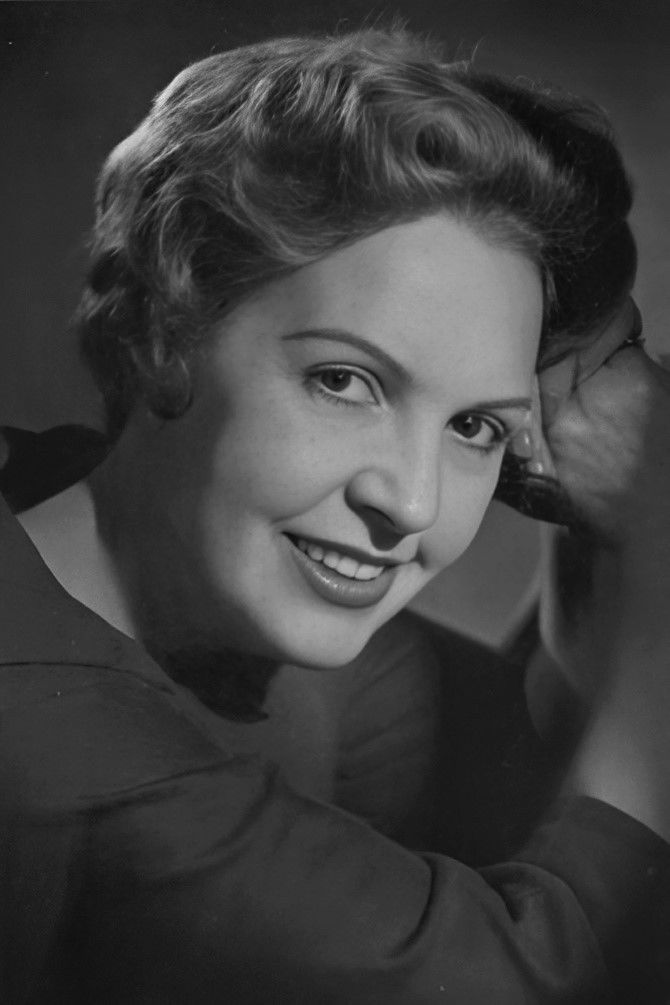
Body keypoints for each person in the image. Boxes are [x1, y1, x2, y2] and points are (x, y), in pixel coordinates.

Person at [1, 26, 669, 1003]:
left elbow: (506, 749)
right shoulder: (54, 753)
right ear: (162, 328)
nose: (412, 501)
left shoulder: (98, 546)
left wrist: (619, 512)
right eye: (345, 381)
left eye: (475, 425)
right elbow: (525, 975)